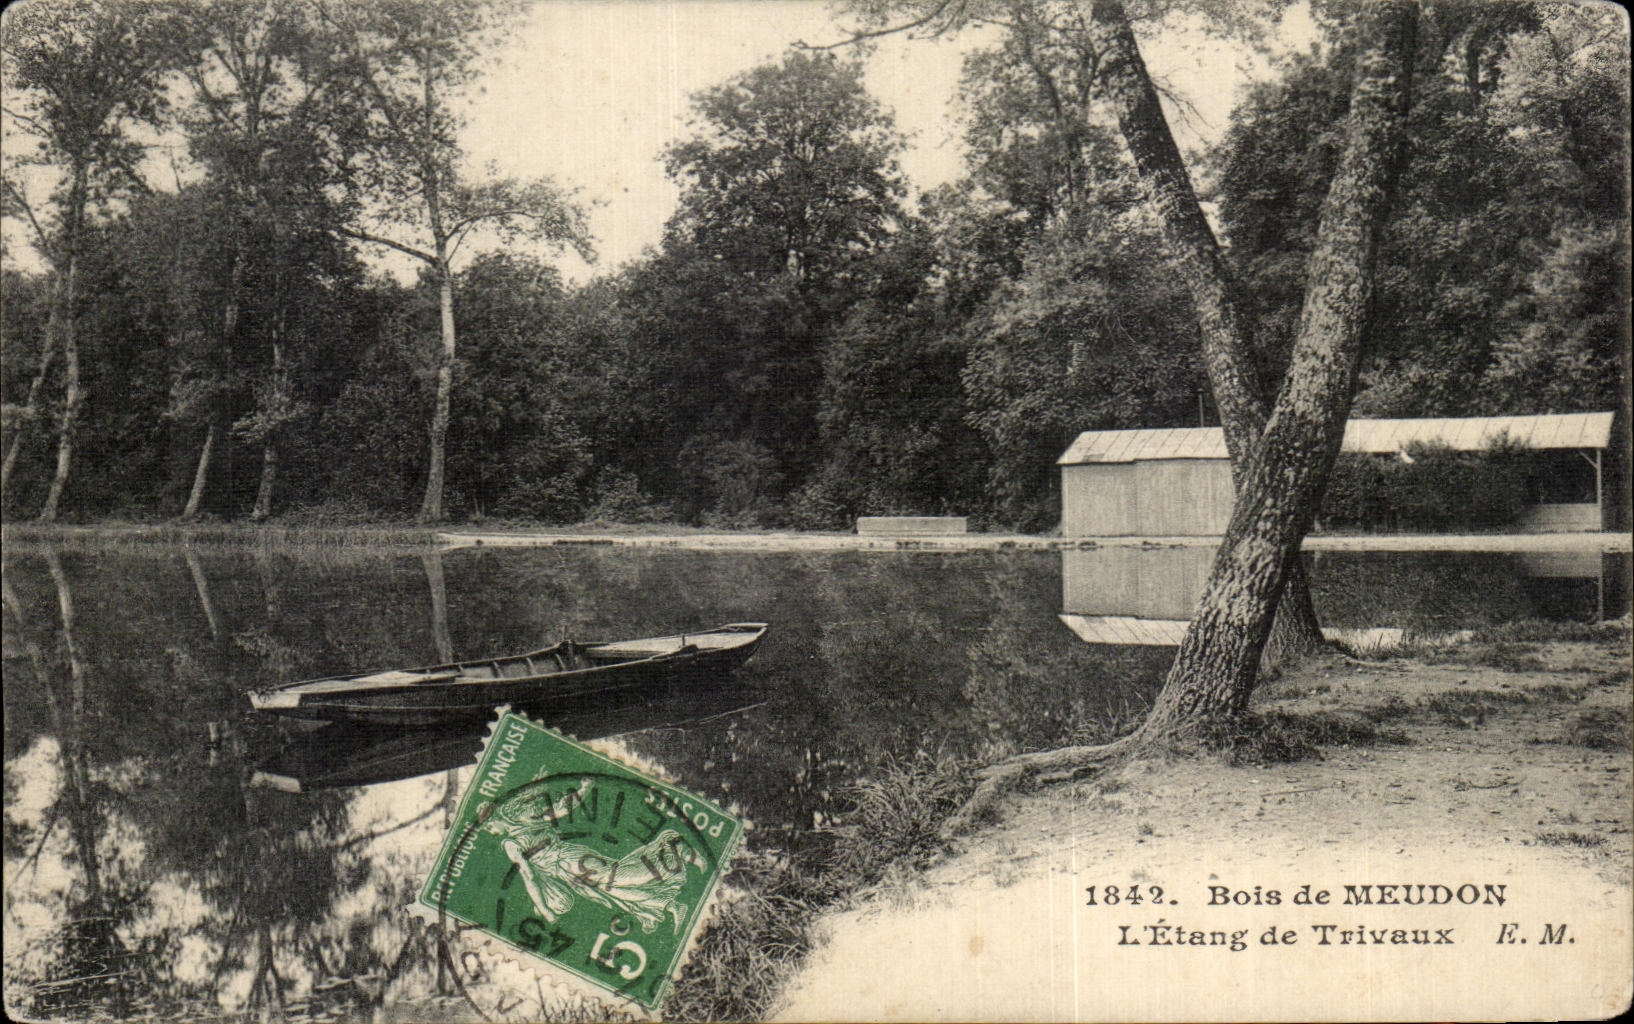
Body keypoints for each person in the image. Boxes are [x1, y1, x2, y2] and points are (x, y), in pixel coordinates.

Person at [480, 774, 696, 935]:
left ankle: (672, 850)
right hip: (569, 869)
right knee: (613, 892)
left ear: (494, 819)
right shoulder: (523, 818)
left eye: (489, 827)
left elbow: (528, 876)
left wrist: (545, 910)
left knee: (618, 878)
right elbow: (562, 809)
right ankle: (672, 906)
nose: (491, 832)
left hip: (570, 861)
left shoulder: (511, 842)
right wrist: (584, 790)